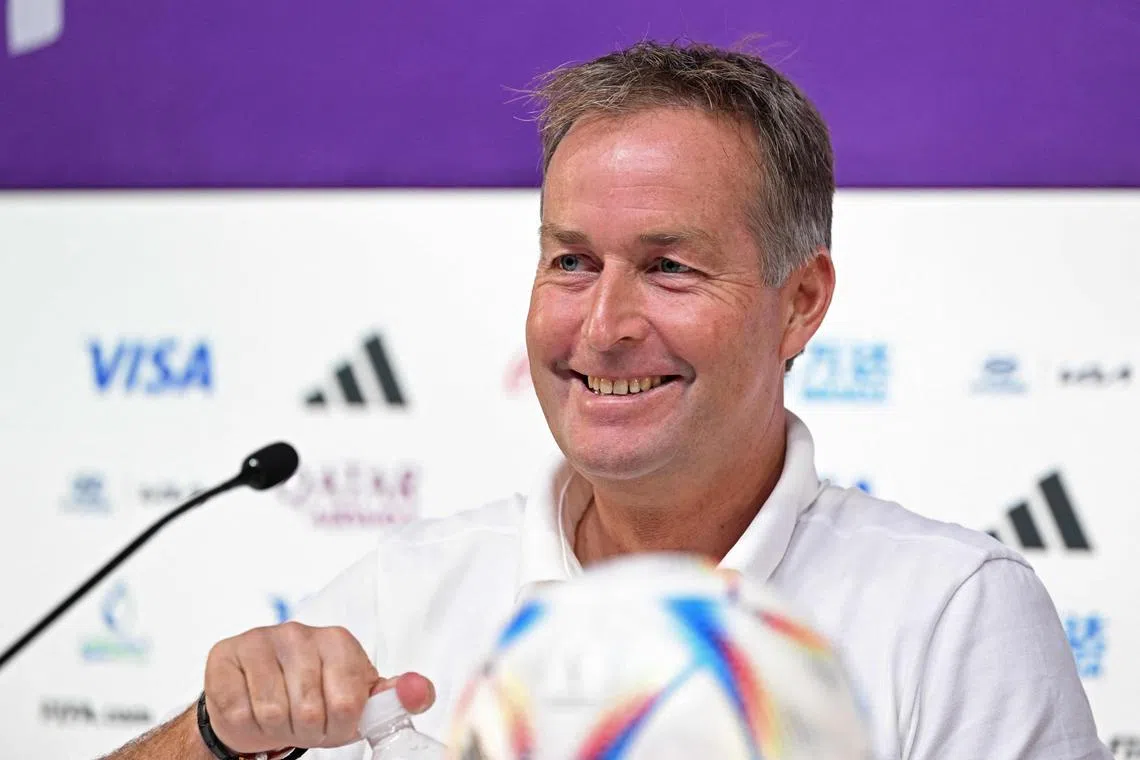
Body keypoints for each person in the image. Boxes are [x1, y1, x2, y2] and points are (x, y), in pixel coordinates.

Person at [104, 41, 1109, 760]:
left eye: (670, 266)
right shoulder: (403, 593)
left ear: (800, 303)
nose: (603, 326)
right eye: (572, 262)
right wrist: (214, 739)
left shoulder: (951, 615)